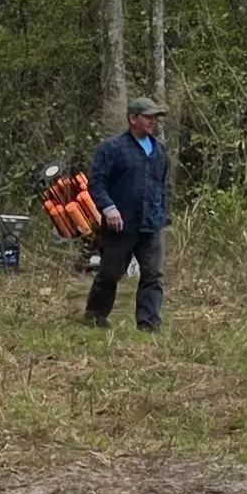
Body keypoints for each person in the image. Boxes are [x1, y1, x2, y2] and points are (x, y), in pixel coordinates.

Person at [84, 96, 170, 332]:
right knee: (111, 273)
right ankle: (95, 316)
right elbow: (96, 183)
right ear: (133, 119)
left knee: (154, 275)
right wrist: (109, 207)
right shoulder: (111, 149)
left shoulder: (160, 151)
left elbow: (161, 186)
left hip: (151, 223)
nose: (153, 121)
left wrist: (162, 215)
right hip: (120, 225)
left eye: (155, 117)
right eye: (148, 116)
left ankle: (149, 324)